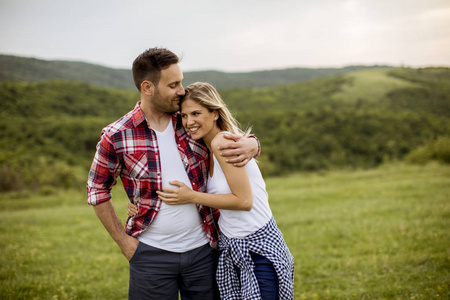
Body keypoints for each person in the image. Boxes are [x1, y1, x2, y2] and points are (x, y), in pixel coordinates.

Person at [86, 48, 260, 300]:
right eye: (173, 84)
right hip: (150, 255)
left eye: (181, 81)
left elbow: (228, 132)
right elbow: (97, 189)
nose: (182, 90)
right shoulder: (117, 135)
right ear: (148, 87)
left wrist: (253, 144)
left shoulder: (189, 120)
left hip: (205, 251)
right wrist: (125, 243)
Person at [129, 82, 294, 299]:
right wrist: (141, 203)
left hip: (257, 248)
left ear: (215, 113)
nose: (189, 122)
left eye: (196, 113)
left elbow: (244, 201)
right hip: (232, 246)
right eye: (184, 116)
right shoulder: (205, 149)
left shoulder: (222, 142)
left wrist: (191, 197)